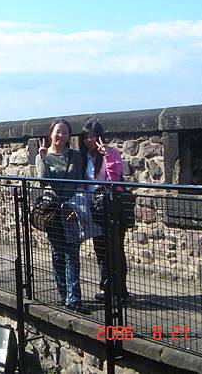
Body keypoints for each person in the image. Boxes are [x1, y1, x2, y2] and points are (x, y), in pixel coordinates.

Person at [36, 118, 90, 314]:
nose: (61, 135)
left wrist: (76, 205)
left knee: (72, 254)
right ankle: (63, 294)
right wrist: (43, 160)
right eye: (58, 131)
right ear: (51, 134)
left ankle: (73, 298)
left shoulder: (75, 156)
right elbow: (43, 182)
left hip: (71, 209)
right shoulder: (43, 155)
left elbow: (80, 181)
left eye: (65, 132)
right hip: (52, 210)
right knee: (58, 254)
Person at [80, 121, 129, 302]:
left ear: (100, 136)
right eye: (86, 137)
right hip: (95, 209)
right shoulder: (84, 157)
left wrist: (107, 156)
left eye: (92, 136)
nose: (89, 140)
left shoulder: (112, 152)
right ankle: (107, 289)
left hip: (112, 208)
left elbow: (115, 179)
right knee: (101, 250)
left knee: (116, 250)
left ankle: (121, 291)